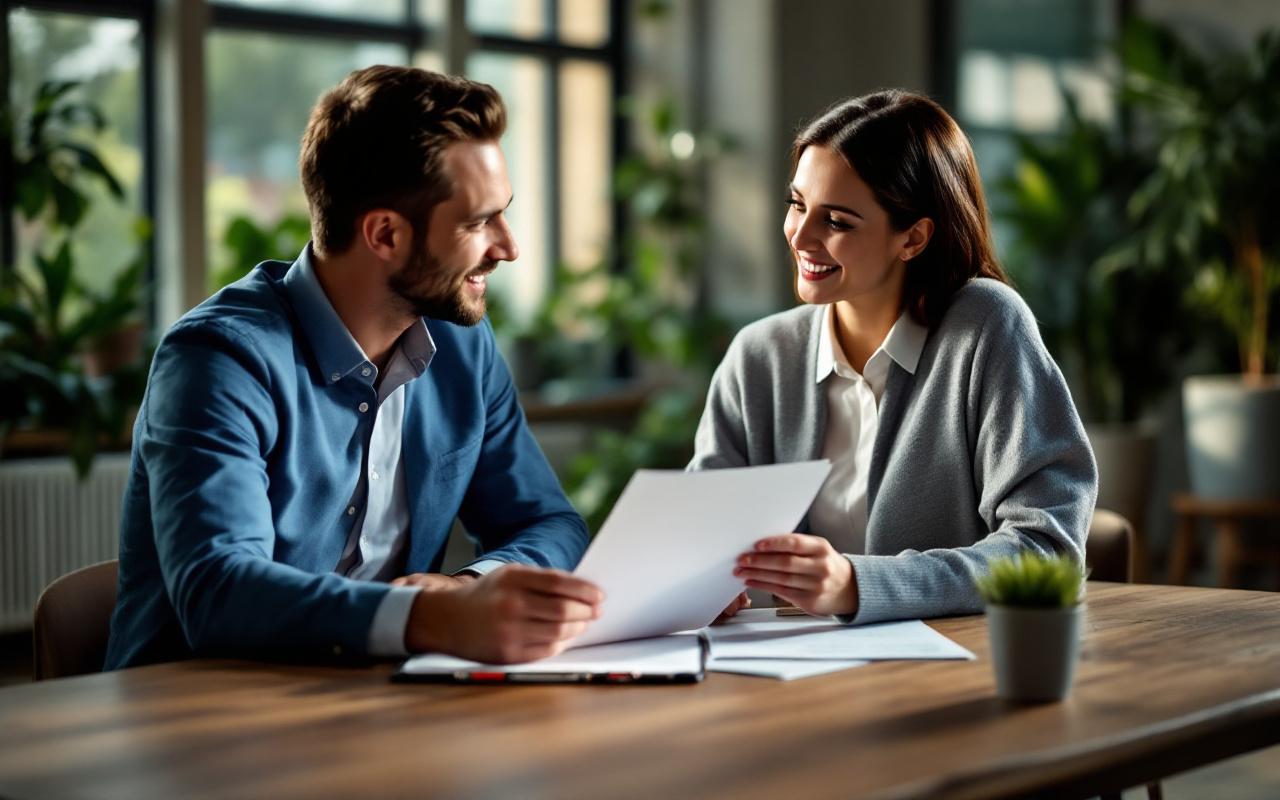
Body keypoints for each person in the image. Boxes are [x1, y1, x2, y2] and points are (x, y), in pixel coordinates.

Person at [105, 66, 603, 670]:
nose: (508, 246)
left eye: (504, 213)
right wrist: (430, 619)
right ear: (385, 234)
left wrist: (468, 585)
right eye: (477, 222)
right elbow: (221, 591)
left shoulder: (463, 348)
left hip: (367, 704)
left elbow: (549, 522)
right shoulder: (219, 361)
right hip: (194, 720)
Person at [691, 90, 1097, 624]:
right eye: (796, 204)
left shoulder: (986, 326)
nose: (801, 236)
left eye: (836, 221)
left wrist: (857, 585)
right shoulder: (758, 357)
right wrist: (701, 582)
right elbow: (696, 543)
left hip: (945, 674)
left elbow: (1048, 548)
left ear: (913, 238)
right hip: (779, 680)